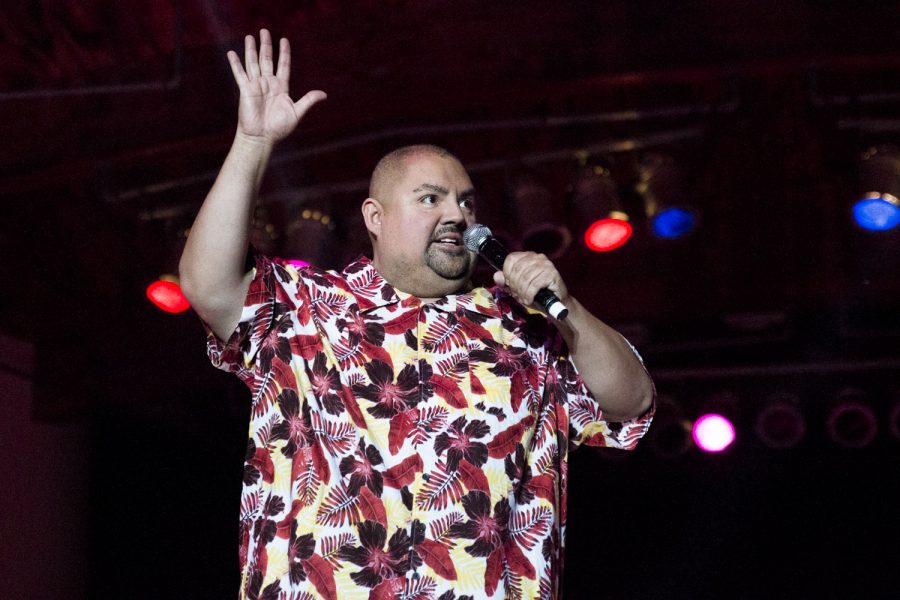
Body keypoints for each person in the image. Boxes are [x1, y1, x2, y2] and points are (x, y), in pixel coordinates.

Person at [180, 29, 655, 600]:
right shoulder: (304, 308)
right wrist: (253, 144)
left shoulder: (524, 327)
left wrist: (568, 309)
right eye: (430, 199)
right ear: (374, 217)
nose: (456, 214)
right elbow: (207, 285)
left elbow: (632, 403)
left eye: (466, 201)